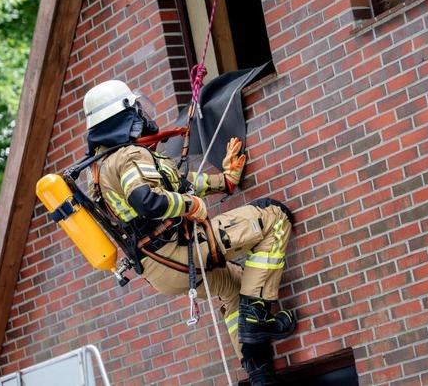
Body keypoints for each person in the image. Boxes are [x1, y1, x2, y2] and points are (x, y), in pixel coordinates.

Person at [83, 80, 296, 385]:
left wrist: (224, 181)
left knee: (235, 287)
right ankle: (257, 318)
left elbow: (176, 183)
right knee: (273, 217)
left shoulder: (99, 169)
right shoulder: (128, 156)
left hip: (159, 269)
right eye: (138, 108)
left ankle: (259, 373)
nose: (143, 114)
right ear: (125, 113)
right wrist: (189, 205)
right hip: (181, 251)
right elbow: (146, 200)